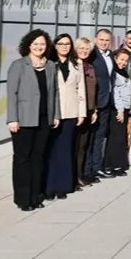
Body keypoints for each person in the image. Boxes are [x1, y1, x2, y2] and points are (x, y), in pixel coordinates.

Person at [7, 29, 60, 211]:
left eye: (42, 44)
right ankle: (23, 198)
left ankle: (36, 195)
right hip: (23, 119)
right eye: (35, 44)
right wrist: (12, 119)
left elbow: (55, 93)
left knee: (38, 157)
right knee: (23, 158)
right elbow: (11, 94)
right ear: (28, 45)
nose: (39, 47)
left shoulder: (51, 66)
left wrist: (56, 115)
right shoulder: (18, 65)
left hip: (44, 119)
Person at [45, 34, 86, 201]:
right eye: (61, 43)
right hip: (53, 113)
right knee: (51, 150)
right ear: (55, 46)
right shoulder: (49, 64)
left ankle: (63, 186)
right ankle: (49, 186)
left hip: (71, 112)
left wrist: (82, 112)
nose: (64, 46)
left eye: (67, 44)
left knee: (65, 149)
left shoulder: (77, 64)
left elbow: (81, 89)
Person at [86, 29, 114, 180]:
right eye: (101, 39)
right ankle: (87, 169)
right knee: (90, 137)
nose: (104, 42)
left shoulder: (111, 56)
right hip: (95, 103)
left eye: (107, 40)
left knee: (100, 136)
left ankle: (96, 168)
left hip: (107, 101)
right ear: (96, 39)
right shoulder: (92, 55)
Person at [73, 37, 97, 189]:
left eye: (87, 49)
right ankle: (72, 177)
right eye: (81, 48)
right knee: (74, 146)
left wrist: (94, 109)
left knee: (83, 145)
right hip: (75, 112)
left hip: (88, 110)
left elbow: (94, 89)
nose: (84, 51)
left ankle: (79, 175)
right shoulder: (73, 66)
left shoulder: (89, 67)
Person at [104, 49, 131, 176]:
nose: (123, 62)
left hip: (124, 108)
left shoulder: (124, 72)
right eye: (121, 59)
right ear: (115, 58)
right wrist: (120, 110)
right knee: (115, 138)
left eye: (126, 60)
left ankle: (119, 164)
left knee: (121, 138)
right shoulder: (114, 73)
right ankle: (110, 164)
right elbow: (115, 92)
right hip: (117, 109)